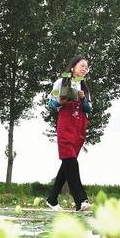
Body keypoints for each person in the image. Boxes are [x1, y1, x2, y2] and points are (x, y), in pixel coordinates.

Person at [46, 55, 92, 212]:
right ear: (73, 67)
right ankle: (81, 200)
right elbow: (50, 103)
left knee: (67, 164)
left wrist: (83, 99)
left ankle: (52, 199)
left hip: (79, 128)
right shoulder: (61, 82)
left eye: (86, 67)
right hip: (65, 126)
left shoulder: (84, 87)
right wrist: (61, 100)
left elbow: (89, 109)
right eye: (82, 66)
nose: (84, 69)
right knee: (71, 162)